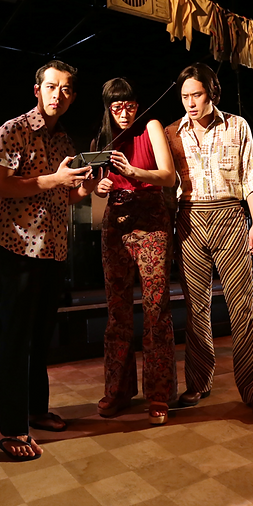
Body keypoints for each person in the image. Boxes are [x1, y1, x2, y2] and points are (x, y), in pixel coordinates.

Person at [0, 60, 103, 461]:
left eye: (67, 89)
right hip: (18, 246)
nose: (58, 95)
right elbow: (0, 185)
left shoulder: (65, 142)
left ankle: (36, 410)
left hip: (53, 248)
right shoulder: (13, 129)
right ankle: (11, 428)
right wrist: (54, 179)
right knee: (15, 337)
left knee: (40, 337)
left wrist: (87, 186)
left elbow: (67, 195)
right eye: (51, 87)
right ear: (36, 89)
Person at [165, 62, 253, 421]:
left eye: (197, 94)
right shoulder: (171, 133)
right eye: (185, 96)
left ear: (211, 93)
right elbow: (165, 184)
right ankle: (197, 382)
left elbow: (252, 179)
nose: (191, 103)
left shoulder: (236, 125)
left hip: (230, 215)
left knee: (242, 306)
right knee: (196, 309)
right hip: (190, 218)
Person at [91, 78, 177, 426]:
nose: (123, 114)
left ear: (137, 105)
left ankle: (159, 393)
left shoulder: (151, 126)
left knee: (156, 308)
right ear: (108, 109)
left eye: (128, 106)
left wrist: (133, 171)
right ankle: (118, 390)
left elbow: (168, 176)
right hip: (116, 219)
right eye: (116, 108)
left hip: (151, 216)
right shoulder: (102, 137)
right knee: (118, 311)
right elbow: (91, 185)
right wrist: (98, 186)